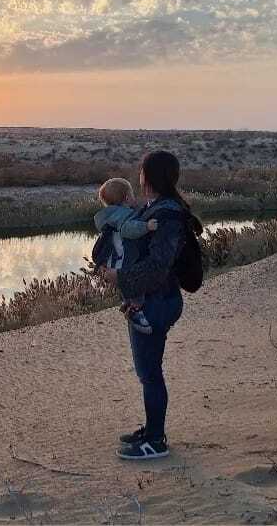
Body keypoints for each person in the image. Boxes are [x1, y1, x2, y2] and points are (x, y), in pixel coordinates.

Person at [99, 151, 197, 460]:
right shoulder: (155, 207)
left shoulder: (167, 214)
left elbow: (157, 267)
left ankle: (156, 441)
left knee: (150, 373)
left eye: (142, 171)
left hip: (157, 302)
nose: (139, 176)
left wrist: (119, 277)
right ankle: (152, 429)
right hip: (152, 300)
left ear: (149, 176)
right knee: (148, 372)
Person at [92, 177, 159, 336]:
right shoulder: (124, 215)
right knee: (136, 286)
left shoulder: (110, 216)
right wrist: (147, 226)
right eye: (132, 194)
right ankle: (135, 312)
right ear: (127, 198)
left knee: (125, 285)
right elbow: (128, 229)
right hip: (125, 259)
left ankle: (126, 302)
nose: (134, 197)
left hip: (114, 260)